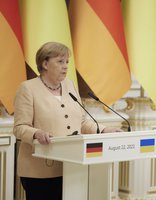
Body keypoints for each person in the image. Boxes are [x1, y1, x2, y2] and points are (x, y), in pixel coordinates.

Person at [13, 42, 122, 200]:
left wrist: (104, 130)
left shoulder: (70, 85)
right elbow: (19, 127)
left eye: (67, 62)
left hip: (72, 167)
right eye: (60, 61)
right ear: (44, 63)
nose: (65, 67)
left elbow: (82, 122)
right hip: (40, 171)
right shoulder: (27, 88)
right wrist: (36, 133)